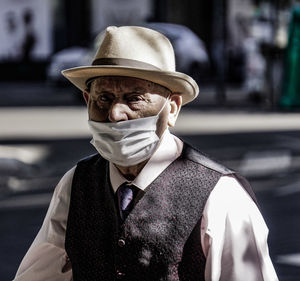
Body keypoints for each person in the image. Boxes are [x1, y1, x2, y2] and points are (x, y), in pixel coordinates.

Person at [14, 26, 278, 281]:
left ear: (172, 108)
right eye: (103, 98)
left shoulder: (222, 195)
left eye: (134, 98)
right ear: (87, 101)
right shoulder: (76, 185)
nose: (116, 114)